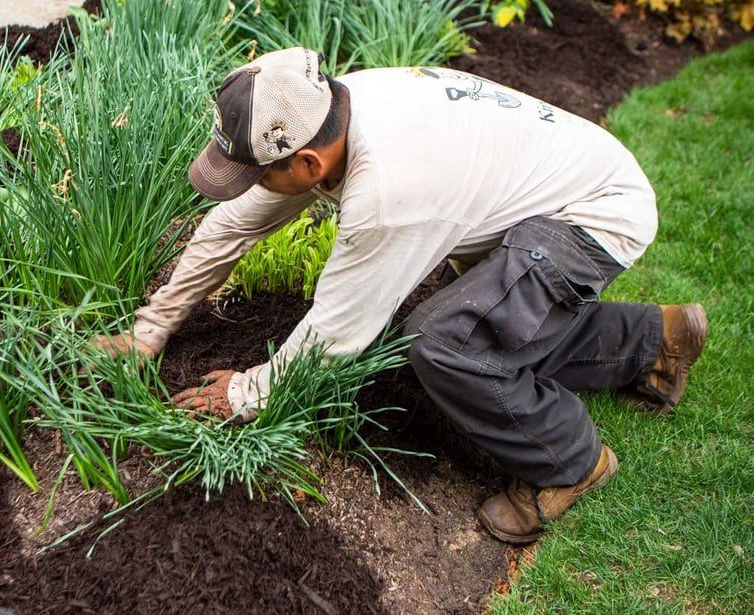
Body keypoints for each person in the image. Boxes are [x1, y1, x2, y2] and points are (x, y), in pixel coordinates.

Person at [94, 47, 708, 543]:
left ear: (307, 163)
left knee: (445, 343)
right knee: (485, 321)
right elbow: (233, 224)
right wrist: (153, 327)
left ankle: (570, 462)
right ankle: (657, 340)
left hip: (594, 212)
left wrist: (243, 392)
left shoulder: (388, 191)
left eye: (260, 173)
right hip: (547, 185)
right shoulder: (330, 108)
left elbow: (337, 332)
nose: (256, 186)